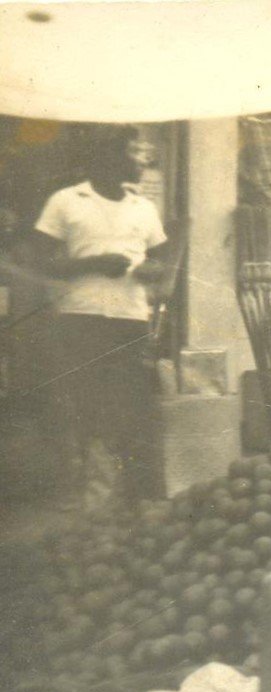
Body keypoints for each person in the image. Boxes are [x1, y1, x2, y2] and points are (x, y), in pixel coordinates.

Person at [30, 126, 171, 515]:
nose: (140, 159)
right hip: (80, 318)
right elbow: (40, 263)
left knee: (132, 407)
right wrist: (94, 263)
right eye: (132, 152)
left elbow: (161, 261)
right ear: (106, 158)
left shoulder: (144, 208)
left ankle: (130, 499)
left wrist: (151, 272)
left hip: (129, 320)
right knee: (81, 407)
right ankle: (80, 498)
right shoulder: (66, 201)